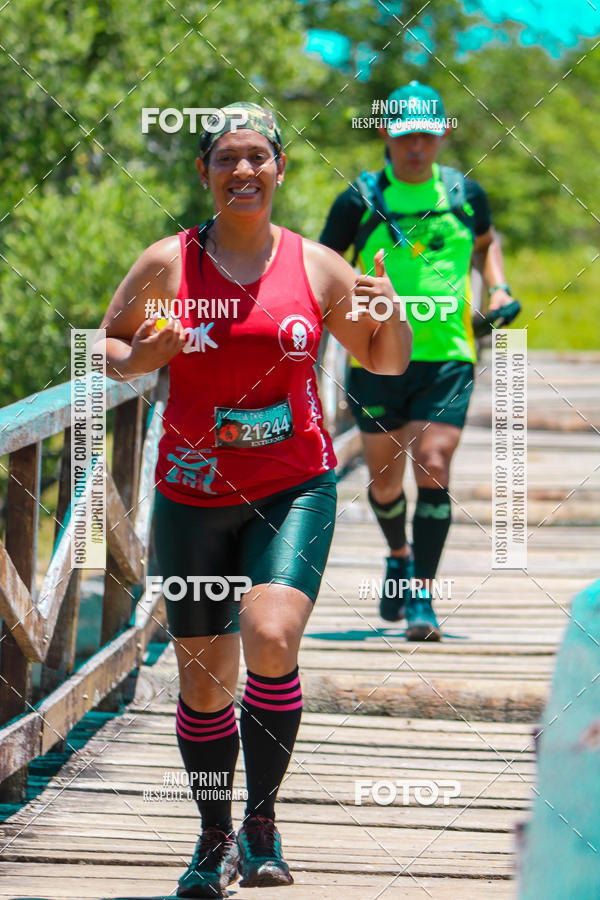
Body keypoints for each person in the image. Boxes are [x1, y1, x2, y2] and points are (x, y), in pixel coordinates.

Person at [99, 102, 411, 898]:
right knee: (204, 682)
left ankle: (262, 824)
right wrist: (144, 354)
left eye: (257, 158)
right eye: (226, 159)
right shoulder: (169, 262)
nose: (243, 171)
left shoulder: (313, 267)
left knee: (271, 636)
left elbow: (381, 361)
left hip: (293, 487)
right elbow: (103, 345)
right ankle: (212, 837)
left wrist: (393, 310)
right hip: (191, 495)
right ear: (204, 172)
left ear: (280, 170)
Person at [320, 81, 513, 641]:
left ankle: (421, 596)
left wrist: (496, 289)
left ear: (443, 135)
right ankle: (398, 557)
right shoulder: (360, 198)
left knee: (434, 460)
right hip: (376, 356)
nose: (416, 147)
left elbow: (485, 241)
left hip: (448, 355)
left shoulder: (464, 193)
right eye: (405, 136)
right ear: (385, 133)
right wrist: (355, 292)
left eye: (427, 136)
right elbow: (322, 265)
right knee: (384, 481)